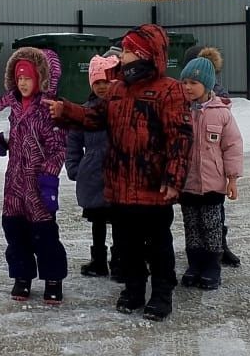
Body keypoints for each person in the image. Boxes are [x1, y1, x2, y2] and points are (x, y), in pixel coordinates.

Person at [45, 24, 192, 322]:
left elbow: (180, 138)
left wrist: (174, 178)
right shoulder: (117, 89)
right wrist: (66, 111)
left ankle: (161, 293)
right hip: (120, 186)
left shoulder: (169, 90)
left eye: (127, 51)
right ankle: (133, 289)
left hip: (153, 187)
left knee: (158, 245)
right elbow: (93, 117)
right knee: (127, 245)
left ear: (144, 54)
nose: (122, 56)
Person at [0, 47, 68, 305]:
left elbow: (58, 148)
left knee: (44, 235)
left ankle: (53, 279)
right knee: (15, 232)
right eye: (19, 78)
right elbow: (17, 136)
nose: (23, 83)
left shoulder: (48, 110)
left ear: (40, 79)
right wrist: (2, 142)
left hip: (38, 185)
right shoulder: (14, 106)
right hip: (14, 183)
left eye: (28, 78)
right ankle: (22, 276)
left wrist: (49, 178)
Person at [176, 54, 244, 291]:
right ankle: (194, 264)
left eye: (193, 83)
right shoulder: (180, 111)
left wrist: (232, 179)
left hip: (213, 184)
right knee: (191, 226)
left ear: (206, 84)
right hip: (187, 183)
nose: (187, 87)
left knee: (212, 226)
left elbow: (232, 146)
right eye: (184, 82)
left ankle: (212, 266)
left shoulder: (221, 113)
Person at [65, 55, 119, 279]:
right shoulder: (84, 111)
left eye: (105, 82)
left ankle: (120, 259)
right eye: (97, 83)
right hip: (93, 175)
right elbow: (73, 142)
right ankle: (98, 260)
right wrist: (75, 168)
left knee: (120, 221)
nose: (102, 87)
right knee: (97, 220)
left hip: (118, 173)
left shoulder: (120, 109)